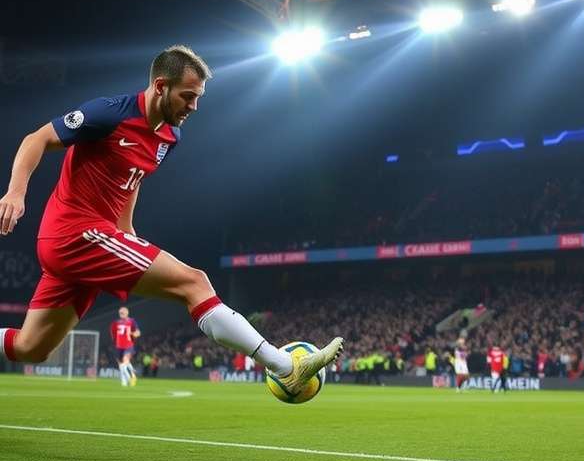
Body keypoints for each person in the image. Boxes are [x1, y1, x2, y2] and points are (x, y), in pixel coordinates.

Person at [0, 46, 343, 396]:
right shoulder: (109, 113)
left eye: (198, 98)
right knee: (194, 282)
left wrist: (126, 230)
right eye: (188, 96)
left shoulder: (169, 136)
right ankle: (286, 366)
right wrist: (15, 192)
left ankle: (284, 365)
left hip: (88, 241)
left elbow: (133, 179)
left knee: (32, 347)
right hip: (75, 233)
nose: (194, 106)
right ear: (161, 86)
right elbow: (37, 138)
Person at [110, 306, 140, 387]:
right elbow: (113, 335)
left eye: (122, 312)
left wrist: (134, 334)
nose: (121, 314)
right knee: (121, 365)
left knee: (124, 361)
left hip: (128, 345)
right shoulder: (116, 323)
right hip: (118, 346)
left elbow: (137, 332)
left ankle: (131, 378)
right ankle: (124, 381)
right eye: (120, 312)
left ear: (127, 313)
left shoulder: (132, 321)